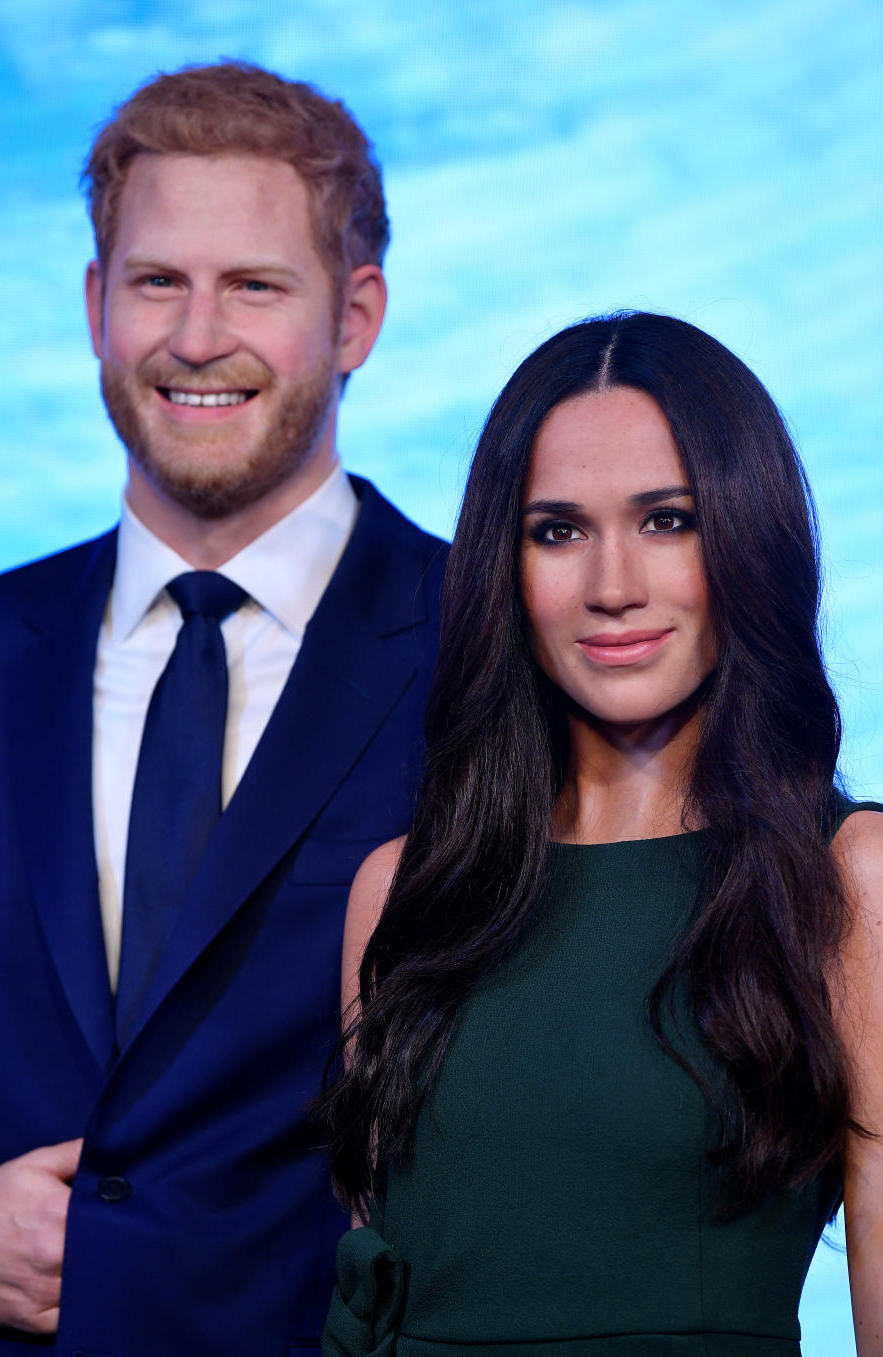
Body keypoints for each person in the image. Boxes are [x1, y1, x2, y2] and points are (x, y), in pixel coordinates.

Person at [0, 61, 445, 1356]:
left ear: (357, 315)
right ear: (98, 305)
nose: (196, 334)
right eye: (158, 281)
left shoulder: (489, 650)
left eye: (255, 285)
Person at [321, 311, 883, 1355]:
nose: (613, 585)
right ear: (506, 564)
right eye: (558, 530)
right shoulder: (400, 895)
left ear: (749, 537)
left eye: (668, 520)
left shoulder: (847, 878)